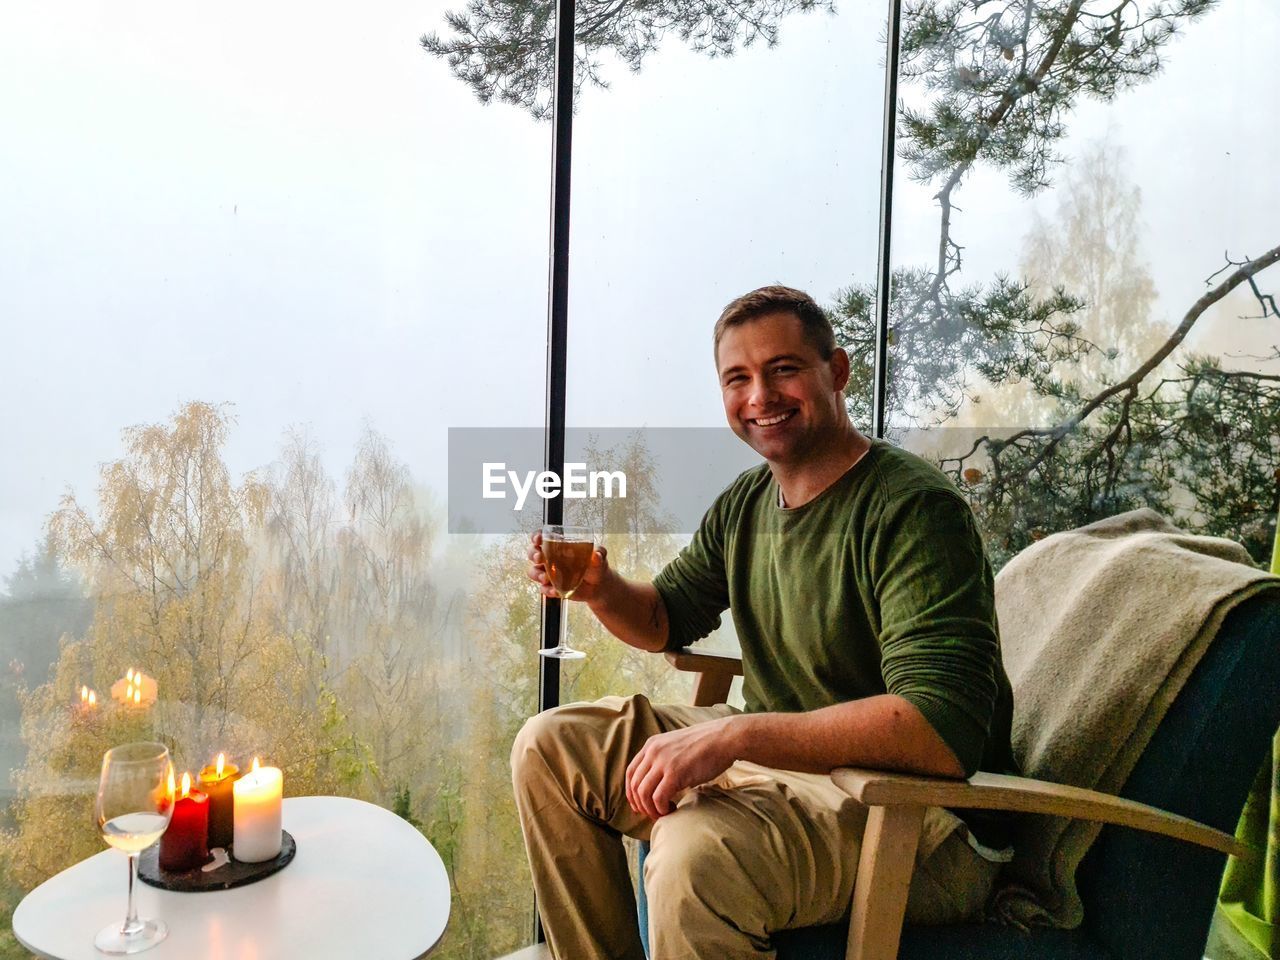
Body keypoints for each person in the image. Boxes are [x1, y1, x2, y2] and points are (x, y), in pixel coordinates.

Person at [513, 284, 1017, 960]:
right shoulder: (748, 503)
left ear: (835, 372)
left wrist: (735, 735)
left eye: (783, 370)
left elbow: (938, 732)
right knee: (551, 747)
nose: (760, 397)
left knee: (693, 861)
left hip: (917, 818)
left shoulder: (915, 512)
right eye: (738, 379)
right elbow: (666, 617)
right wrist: (602, 590)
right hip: (782, 767)